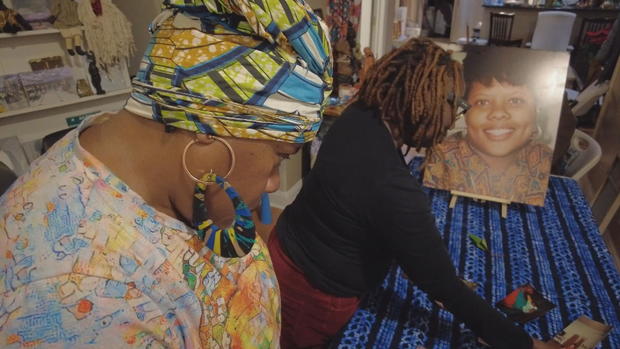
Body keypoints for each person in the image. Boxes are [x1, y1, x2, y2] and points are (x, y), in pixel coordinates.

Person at [0, 1, 331, 347]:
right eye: (280, 158)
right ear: (207, 127)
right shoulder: (81, 301)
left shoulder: (138, 155)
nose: (274, 184)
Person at [269, 39, 566, 349]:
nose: (454, 119)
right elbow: (443, 285)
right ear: (424, 102)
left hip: (287, 244)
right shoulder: (391, 184)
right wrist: (527, 344)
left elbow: (362, 212)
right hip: (312, 293)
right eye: (456, 107)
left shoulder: (360, 114)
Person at [424, 48, 555, 206]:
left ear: (537, 109)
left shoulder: (541, 157)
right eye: (483, 102)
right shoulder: (442, 158)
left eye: (515, 101)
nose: (498, 113)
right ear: (465, 110)